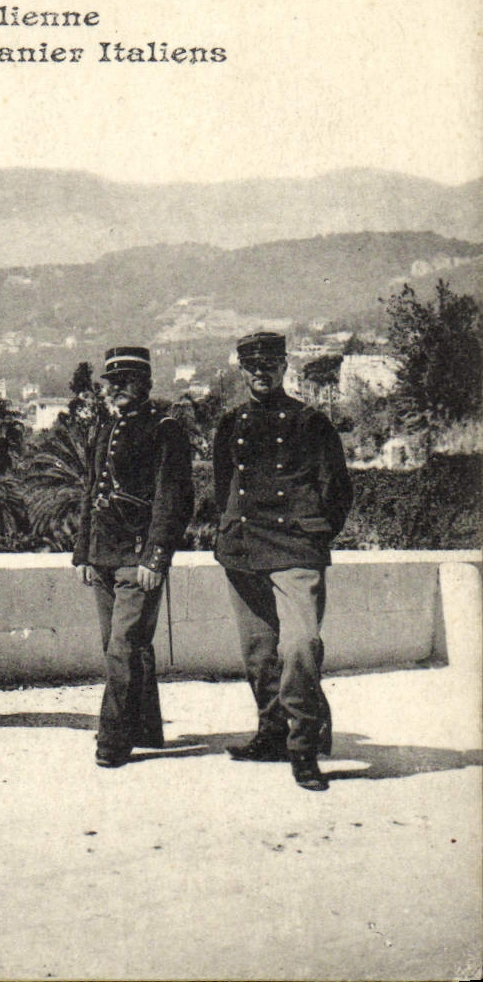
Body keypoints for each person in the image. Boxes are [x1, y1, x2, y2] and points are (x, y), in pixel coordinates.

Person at [213, 331, 352, 792]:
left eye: (269, 363)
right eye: (252, 364)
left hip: (295, 549)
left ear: (284, 366)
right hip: (245, 548)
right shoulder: (231, 423)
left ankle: (303, 747)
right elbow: (223, 486)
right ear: (241, 369)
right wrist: (231, 529)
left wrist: (312, 536)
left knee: (300, 646)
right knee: (259, 654)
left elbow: (338, 491)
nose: (260, 372)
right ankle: (272, 733)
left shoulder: (310, 423)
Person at [72, 347, 193, 768]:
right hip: (104, 553)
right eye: (112, 381)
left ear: (146, 384)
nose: (117, 389)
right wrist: (84, 553)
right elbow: (92, 492)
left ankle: (113, 740)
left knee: (122, 647)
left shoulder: (165, 430)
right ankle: (146, 728)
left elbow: (172, 499)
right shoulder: (106, 428)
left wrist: (155, 559)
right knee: (123, 644)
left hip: (138, 555)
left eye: (127, 381)